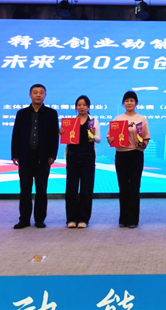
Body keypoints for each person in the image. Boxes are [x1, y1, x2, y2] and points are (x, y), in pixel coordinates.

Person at [11, 84, 59, 229]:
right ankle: (24, 219)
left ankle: (39, 219)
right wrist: (15, 154)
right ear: (30, 95)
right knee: (25, 189)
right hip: (25, 156)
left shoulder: (51, 113)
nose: (38, 95)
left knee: (41, 189)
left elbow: (54, 137)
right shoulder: (22, 113)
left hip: (43, 157)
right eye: (35, 92)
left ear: (45, 95)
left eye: (41, 92)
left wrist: (52, 155)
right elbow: (16, 134)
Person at [107, 91, 150, 229]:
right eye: (127, 100)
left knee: (135, 187)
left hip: (136, 155)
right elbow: (109, 137)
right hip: (121, 155)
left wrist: (142, 145)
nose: (129, 103)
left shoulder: (141, 118)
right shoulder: (118, 119)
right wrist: (111, 139)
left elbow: (146, 138)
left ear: (136, 103)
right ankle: (123, 218)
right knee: (123, 186)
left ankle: (133, 219)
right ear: (123, 103)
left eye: (132, 100)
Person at [62, 95, 100, 229]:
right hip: (72, 156)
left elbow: (98, 139)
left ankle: (84, 219)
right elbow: (66, 141)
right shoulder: (70, 122)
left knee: (86, 188)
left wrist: (93, 135)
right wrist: (62, 133)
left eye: (84, 105)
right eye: (79, 105)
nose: (82, 107)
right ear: (76, 107)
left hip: (88, 157)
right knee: (71, 188)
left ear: (88, 107)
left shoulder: (93, 121)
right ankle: (71, 218)